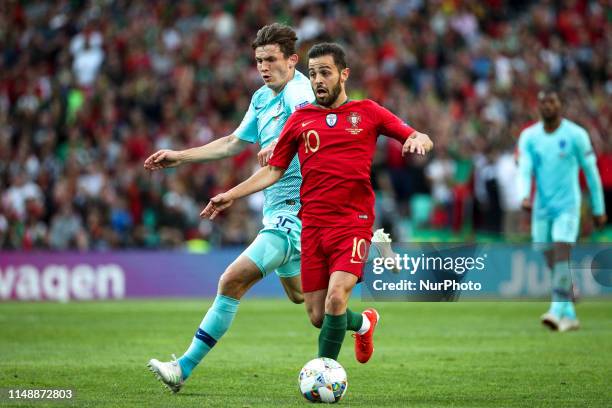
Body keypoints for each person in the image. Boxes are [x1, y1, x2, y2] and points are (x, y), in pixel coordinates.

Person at [144, 25, 396, 393]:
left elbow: (307, 124)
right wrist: (181, 156)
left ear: (292, 60)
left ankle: (183, 367)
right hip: (276, 211)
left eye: (271, 60)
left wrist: (277, 144)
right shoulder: (262, 97)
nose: (264, 67)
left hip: (298, 213)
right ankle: (363, 324)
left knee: (232, 280)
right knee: (312, 308)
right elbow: (233, 142)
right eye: (259, 60)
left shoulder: (301, 92)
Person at [202, 43, 433, 364]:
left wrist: (418, 137)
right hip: (311, 227)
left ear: (344, 75)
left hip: (353, 222)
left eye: (325, 72)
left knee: (336, 299)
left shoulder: (367, 112)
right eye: (312, 74)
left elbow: (415, 134)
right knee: (317, 314)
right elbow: (273, 170)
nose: (318, 80)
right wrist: (231, 194)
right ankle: (365, 322)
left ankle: (325, 371)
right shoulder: (300, 119)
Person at [518, 88, 607, 332]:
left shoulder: (576, 135)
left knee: (560, 251)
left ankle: (556, 309)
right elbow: (524, 169)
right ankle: (569, 311)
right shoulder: (529, 136)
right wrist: (524, 196)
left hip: (568, 206)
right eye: (543, 102)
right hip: (541, 208)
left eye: (552, 102)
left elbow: (591, 173)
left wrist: (599, 208)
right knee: (548, 255)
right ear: (538, 106)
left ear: (560, 105)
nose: (547, 106)